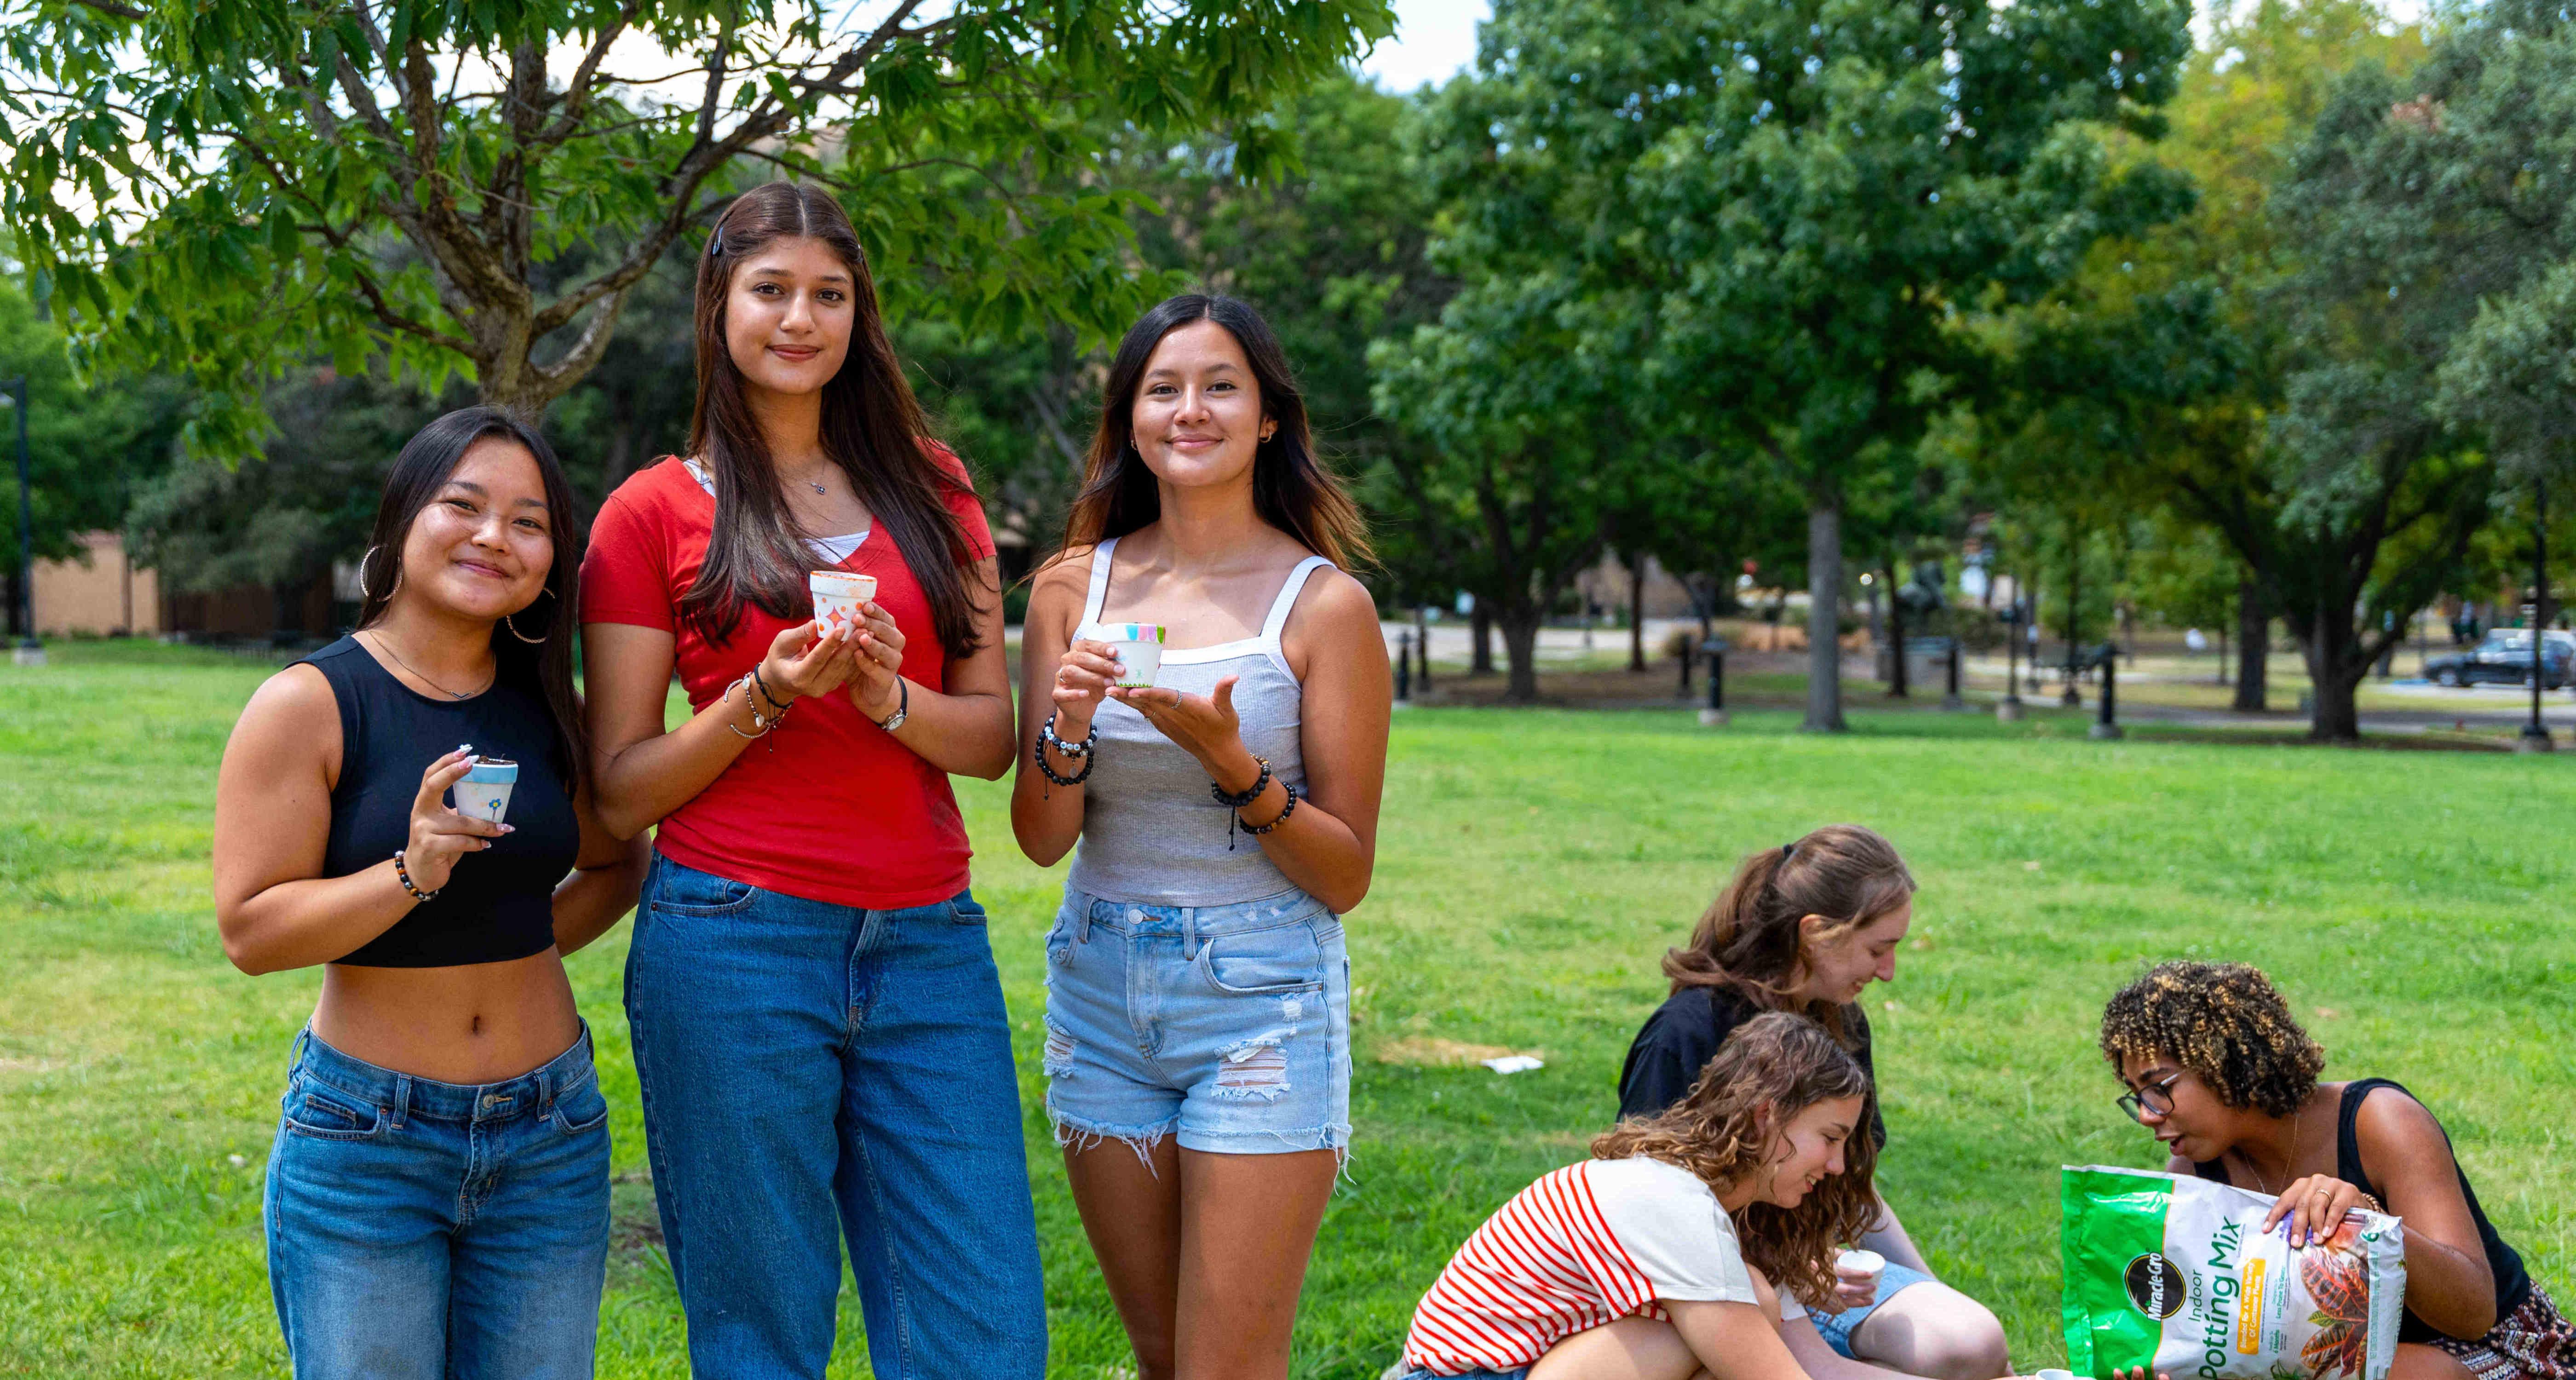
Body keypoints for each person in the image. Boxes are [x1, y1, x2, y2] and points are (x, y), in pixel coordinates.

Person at [579, 181, 1039, 1377]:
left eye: (828, 294)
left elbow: (990, 737)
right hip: (730, 941)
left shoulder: (937, 489)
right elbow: (621, 790)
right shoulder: (649, 514)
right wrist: (766, 696)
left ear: (859, 313)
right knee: (759, 1329)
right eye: (771, 290)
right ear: (719, 307)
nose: (801, 318)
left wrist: (889, 698)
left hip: (928, 942)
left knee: (985, 1333)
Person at [212, 407, 647, 1379]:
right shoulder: (310, 703)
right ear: (403, 520)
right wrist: (410, 874)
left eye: (529, 522)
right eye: (465, 505)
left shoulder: (549, 709)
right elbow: (251, 930)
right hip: (368, 1143)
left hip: (550, 1132)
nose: (495, 536)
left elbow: (619, 866)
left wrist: (500, 949)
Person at [1012, 292, 1391, 1380]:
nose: (1192, 409)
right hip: (1099, 988)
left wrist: (1231, 762)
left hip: (1261, 997)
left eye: (1221, 385)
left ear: (1268, 415)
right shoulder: (1070, 589)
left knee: (1228, 1363)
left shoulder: (1324, 608)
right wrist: (1068, 729)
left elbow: (1345, 871)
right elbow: (1041, 838)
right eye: (1163, 387)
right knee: (1164, 1354)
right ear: (1129, 415)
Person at [1616, 825, 2011, 1380]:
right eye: (1878, 948)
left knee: (1971, 1341)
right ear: (1816, 933)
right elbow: (1646, 1213)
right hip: (1717, 1287)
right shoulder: (1685, 1032)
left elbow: (1850, 1185)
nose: (1888, 971)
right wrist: (1794, 1273)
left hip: (1813, 1276)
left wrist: (1928, 1287)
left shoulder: (1840, 1019)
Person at [2101, 961, 2576, 1380]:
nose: (2146, 1113)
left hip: (2492, 1356)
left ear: (2223, 1060)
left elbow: (2473, 1311)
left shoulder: (2379, 1121)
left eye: (2157, 1087)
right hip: (2335, 1366)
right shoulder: (2194, 1172)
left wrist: (2368, 1223)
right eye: (2134, 1095)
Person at [1396, 1012, 1896, 1380]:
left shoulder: (1693, 1198)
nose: (1836, 1166)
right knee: (1743, 1315)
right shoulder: (1671, 1206)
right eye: (1830, 1138)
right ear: (1767, 1117)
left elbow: (1810, 1367)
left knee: (1749, 1303)